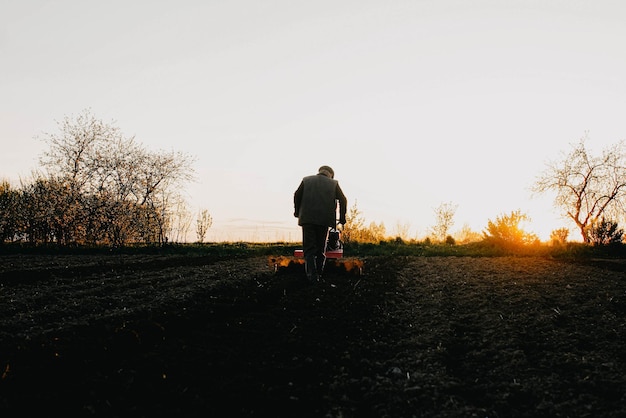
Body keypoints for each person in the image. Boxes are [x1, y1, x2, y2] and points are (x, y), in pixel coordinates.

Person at [294, 165, 347, 283]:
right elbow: (343, 200)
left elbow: (297, 195)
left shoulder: (306, 180)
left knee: (309, 250)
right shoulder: (333, 183)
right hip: (324, 221)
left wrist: (297, 212)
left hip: (307, 220)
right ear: (331, 175)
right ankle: (318, 275)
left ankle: (312, 278)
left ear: (319, 172)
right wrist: (342, 218)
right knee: (320, 250)